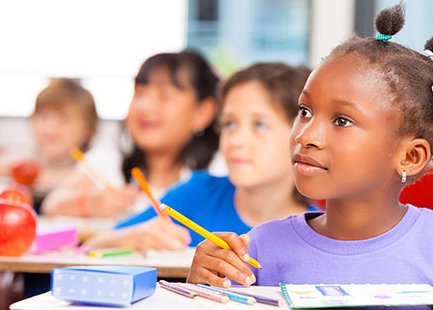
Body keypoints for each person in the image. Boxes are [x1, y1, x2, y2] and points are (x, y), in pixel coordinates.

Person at [186, 3, 433, 288]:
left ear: (411, 156)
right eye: (304, 112)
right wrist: (200, 290)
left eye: (342, 120)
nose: (306, 135)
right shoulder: (256, 250)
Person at [85, 62, 318, 250]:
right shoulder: (197, 194)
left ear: (301, 135)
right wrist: (136, 237)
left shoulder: (322, 228)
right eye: (229, 124)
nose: (235, 139)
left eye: (259, 125)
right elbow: (92, 246)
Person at [41, 51, 220, 218]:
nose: (145, 106)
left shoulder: (218, 171)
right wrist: (89, 203)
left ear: (202, 112)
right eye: (140, 95)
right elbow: (51, 205)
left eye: (164, 95)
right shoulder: (111, 158)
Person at [0, 78, 98, 185]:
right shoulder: (21, 159)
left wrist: (39, 177)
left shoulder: (96, 164)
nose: (50, 127)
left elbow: (91, 179)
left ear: (88, 129)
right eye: (43, 117)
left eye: (64, 118)